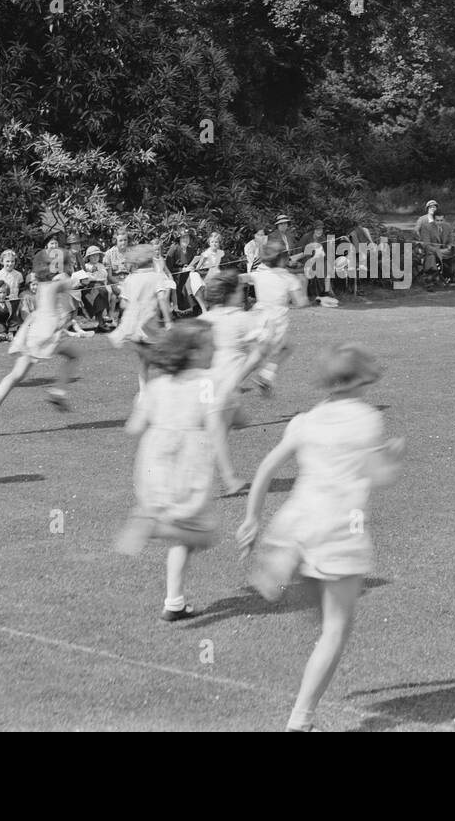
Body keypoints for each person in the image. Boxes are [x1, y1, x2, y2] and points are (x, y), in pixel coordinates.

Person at [237, 344, 405, 732]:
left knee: (319, 611)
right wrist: (395, 456)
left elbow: (265, 468)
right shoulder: (367, 420)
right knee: (335, 630)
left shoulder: (305, 421)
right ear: (362, 378)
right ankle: (300, 719)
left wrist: (251, 518)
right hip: (339, 531)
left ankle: (282, 563)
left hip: (297, 522)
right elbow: (381, 476)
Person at [115, 321, 267, 621]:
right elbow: (216, 424)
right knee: (204, 533)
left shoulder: (160, 384)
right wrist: (229, 474)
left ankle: (174, 602)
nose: (215, 349)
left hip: (152, 460)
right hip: (187, 460)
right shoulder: (206, 382)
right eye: (210, 345)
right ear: (195, 352)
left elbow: (133, 427)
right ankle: (153, 526)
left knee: (183, 535)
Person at [0, 276, 84, 433]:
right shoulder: (55, 285)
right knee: (74, 356)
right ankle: (57, 393)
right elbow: (69, 285)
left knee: (17, 374)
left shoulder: (42, 287)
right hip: (47, 331)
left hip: (33, 330)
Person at [201, 269, 265, 493]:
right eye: (240, 290)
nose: (243, 295)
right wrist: (237, 377)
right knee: (217, 430)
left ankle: (202, 474)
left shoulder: (204, 319)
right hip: (223, 384)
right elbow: (257, 355)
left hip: (207, 383)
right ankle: (229, 480)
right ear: (230, 293)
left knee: (229, 423)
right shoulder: (243, 318)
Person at [245, 237, 309, 394]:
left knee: (265, 353)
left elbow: (243, 278)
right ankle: (233, 382)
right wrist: (303, 285)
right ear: (282, 259)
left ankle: (264, 376)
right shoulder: (289, 278)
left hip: (257, 318)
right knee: (264, 355)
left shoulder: (259, 274)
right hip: (276, 322)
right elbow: (300, 302)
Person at [109, 244, 174, 389]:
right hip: (150, 325)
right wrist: (168, 321)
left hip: (134, 328)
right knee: (161, 358)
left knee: (144, 361)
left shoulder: (130, 279)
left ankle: (144, 392)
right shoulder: (156, 277)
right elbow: (162, 299)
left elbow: (123, 305)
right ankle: (165, 388)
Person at [74, 245, 113, 330]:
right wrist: (90, 276)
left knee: (104, 292)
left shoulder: (101, 266)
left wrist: (94, 276)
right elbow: (84, 278)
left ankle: (102, 319)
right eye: (93, 255)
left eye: (97, 255)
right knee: (98, 295)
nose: (95, 257)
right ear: (89, 257)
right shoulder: (86, 266)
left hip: (101, 286)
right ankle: (101, 321)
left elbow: (104, 276)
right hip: (89, 288)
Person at [0, 249, 24, 338]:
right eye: (7, 261)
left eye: (12, 261)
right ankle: (1, 331)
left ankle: (12, 331)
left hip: (14, 301)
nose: (10, 264)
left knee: (16, 313)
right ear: (2, 261)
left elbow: (19, 288)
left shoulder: (18, 275)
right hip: (1, 301)